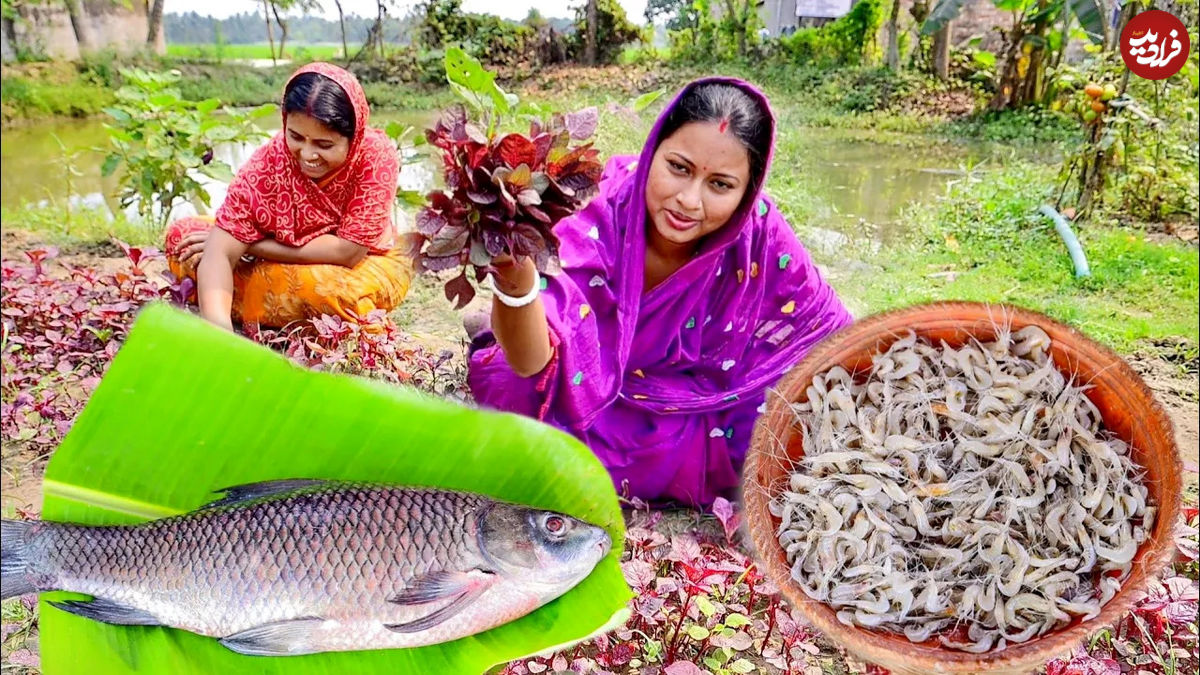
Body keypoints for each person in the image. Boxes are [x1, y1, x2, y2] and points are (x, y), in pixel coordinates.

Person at [467, 78, 852, 508]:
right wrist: (514, 281)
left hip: (689, 403)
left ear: (747, 191)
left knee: (778, 433)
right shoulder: (595, 209)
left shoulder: (756, 232)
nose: (688, 200)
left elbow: (829, 328)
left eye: (720, 185)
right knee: (514, 387)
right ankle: (500, 320)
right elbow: (533, 360)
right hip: (585, 385)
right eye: (679, 168)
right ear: (653, 151)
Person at [164, 62, 413, 331]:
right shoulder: (271, 161)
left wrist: (249, 244)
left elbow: (347, 252)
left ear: (354, 138)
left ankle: (253, 303)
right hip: (277, 249)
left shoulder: (375, 157)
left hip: (364, 261)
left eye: (324, 144)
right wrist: (220, 335)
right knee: (183, 237)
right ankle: (260, 308)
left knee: (330, 291)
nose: (307, 154)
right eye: (296, 137)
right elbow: (221, 251)